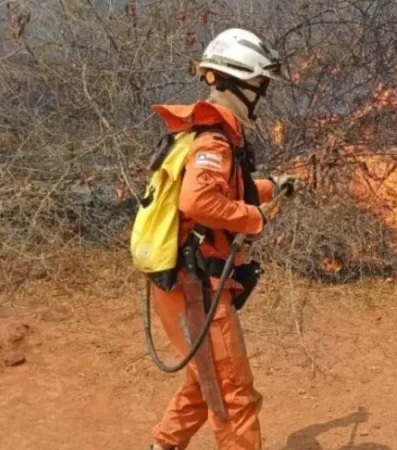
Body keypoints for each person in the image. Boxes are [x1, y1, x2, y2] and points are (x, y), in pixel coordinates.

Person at [147, 28, 299, 450]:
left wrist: (269, 186)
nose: (262, 93)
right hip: (197, 285)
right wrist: (255, 217)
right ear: (236, 81)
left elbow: (220, 186)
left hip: (181, 279)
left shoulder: (201, 132)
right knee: (234, 397)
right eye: (259, 84)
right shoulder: (214, 138)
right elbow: (198, 200)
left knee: (204, 377)